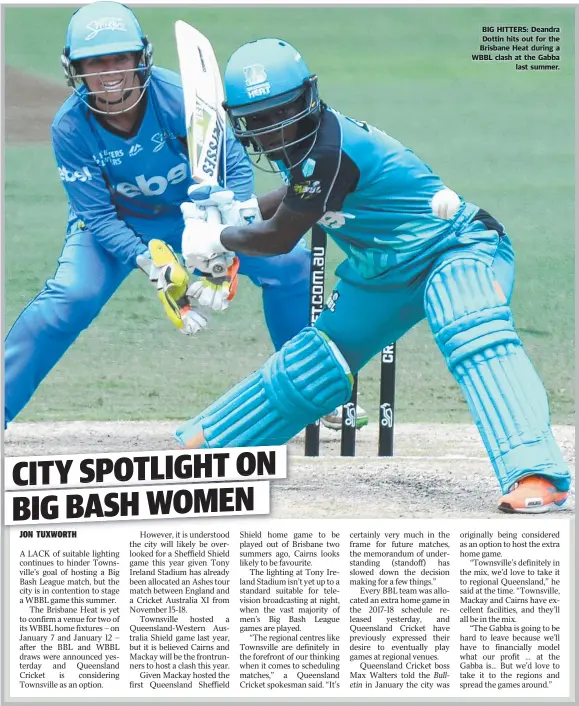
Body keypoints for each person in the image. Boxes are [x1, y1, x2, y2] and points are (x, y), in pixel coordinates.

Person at [174, 37, 570, 514]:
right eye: (259, 122)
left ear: (308, 98)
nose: (275, 132)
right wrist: (240, 211)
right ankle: (213, 445)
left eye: (283, 115)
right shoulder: (301, 140)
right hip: (379, 272)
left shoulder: (328, 147)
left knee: (469, 326)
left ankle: (537, 474)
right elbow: (300, 190)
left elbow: (279, 238)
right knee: (314, 364)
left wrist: (219, 239)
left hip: (454, 246)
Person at [4, 2, 362, 430]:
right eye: (94, 62)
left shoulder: (178, 100)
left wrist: (223, 241)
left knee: (292, 266)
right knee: (71, 296)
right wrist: (148, 261)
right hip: (118, 226)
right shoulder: (70, 126)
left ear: (141, 59)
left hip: (198, 214)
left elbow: (233, 166)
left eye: (120, 57)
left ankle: (310, 390)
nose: (109, 71)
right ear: (74, 68)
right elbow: (96, 216)